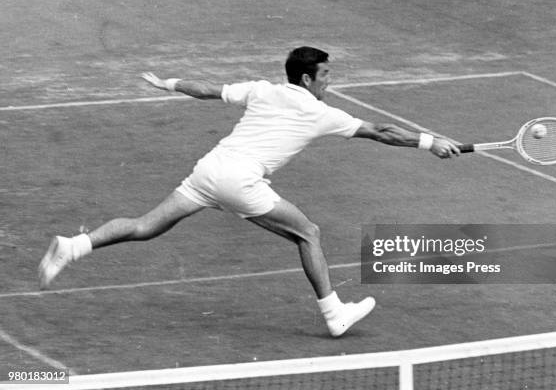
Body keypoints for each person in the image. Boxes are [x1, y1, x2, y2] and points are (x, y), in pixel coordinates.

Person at [39, 46, 460, 337]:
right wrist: (430, 142)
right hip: (240, 182)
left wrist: (167, 83)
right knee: (307, 233)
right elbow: (381, 132)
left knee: (146, 226)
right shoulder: (319, 111)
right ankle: (334, 315)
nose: (330, 81)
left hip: (210, 169)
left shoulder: (261, 89)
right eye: (326, 75)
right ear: (308, 78)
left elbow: (207, 90)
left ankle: (73, 246)